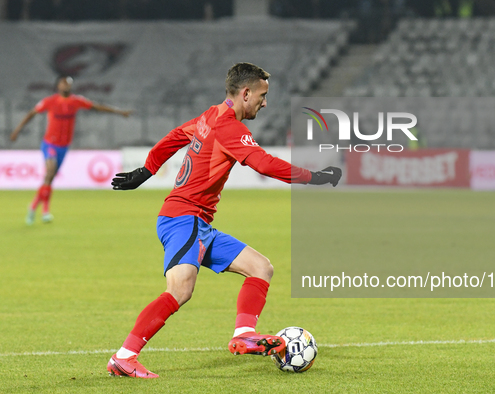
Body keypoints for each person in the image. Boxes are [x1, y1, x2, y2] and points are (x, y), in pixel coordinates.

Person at [107, 63, 342, 379]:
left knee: (261, 267)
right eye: (262, 95)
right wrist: (313, 177)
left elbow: (176, 135)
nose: (265, 102)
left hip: (197, 223)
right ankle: (125, 356)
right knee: (179, 290)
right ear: (246, 93)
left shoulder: (210, 116)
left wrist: (147, 170)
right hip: (183, 218)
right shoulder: (229, 126)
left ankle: (244, 333)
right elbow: (262, 163)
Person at [10, 76, 132, 225]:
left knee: (49, 179)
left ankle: (33, 206)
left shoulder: (76, 101)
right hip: (50, 144)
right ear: (58, 86)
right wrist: (17, 130)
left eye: (68, 83)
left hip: (64, 146)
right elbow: (32, 113)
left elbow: (97, 107)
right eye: (63, 83)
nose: (66, 85)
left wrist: (119, 112)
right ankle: (45, 211)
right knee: (49, 173)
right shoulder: (50, 101)